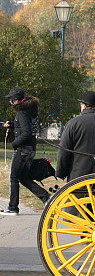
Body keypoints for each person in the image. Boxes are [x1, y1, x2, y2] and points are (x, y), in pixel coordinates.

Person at [0, 87, 50, 216]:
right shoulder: (30, 110)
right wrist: (12, 125)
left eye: (11, 100)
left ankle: (13, 208)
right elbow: (25, 126)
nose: (10, 102)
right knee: (24, 178)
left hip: (23, 150)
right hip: (30, 148)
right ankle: (46, 198)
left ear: (16, 100)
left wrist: (15, 143)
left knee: (14, 178)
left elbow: (27, 133)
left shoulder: (21, 113)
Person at [56, 91, 95, 181]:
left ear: (84, 105)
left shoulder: (73, 123)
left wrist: (61, 172)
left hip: (79, 175)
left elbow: (64, 149)